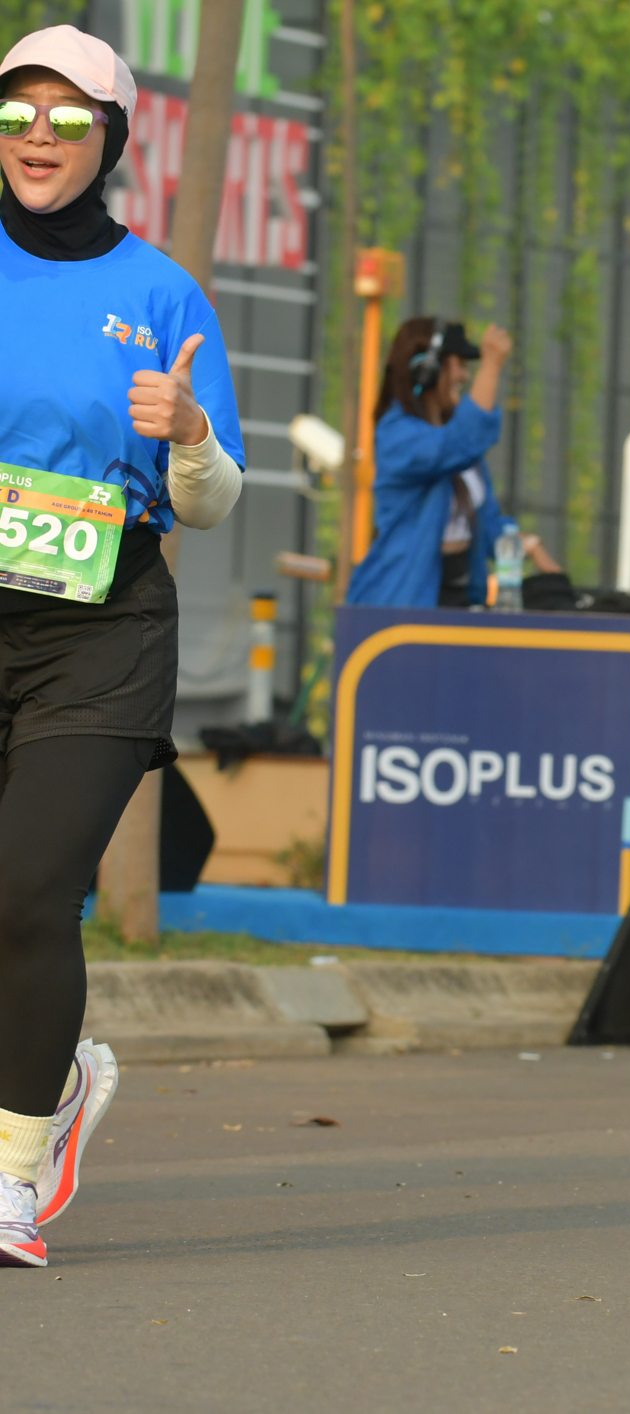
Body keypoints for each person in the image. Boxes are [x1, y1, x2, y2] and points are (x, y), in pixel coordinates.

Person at [0, 25, 244, 1267]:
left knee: (28, 889)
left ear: (112, 138)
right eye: (15, 114)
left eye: (67, 116)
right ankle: (57, 1078)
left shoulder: (161, 294)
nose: (37, 136)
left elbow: (212, 500)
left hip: (98, 627)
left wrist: (188, 432)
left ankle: (12, 1170)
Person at [345, 317, 519, 608]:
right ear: (427, 370)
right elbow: (461, 442)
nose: (465, 376)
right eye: (459, 364)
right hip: (397, 608)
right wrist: (490, 366)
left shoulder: (466, 457)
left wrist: (531, 552)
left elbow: (490, 526)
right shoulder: (396, 435)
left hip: (459, 605)